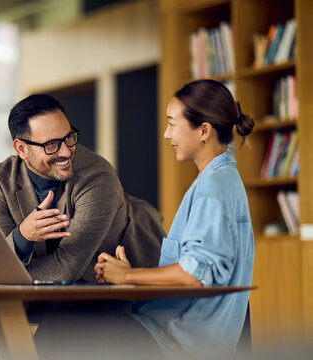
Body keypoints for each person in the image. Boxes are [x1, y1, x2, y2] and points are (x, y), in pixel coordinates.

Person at [94, 79, 255, 359]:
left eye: (172, 124)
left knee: (57, 328)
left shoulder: (212, 189)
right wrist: (131, 281)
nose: (166, 134)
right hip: (179, 334)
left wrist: (127, 275)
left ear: (203, 130)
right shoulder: (220, 180)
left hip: (175, 341)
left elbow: (194, 275)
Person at [0, 93, 165, 283]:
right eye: (51, 144)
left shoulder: (97, 175)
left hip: (124, 292)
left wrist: (0, 274)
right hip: (47, 297)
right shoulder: (0, 179)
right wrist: (23, 235)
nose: (66, 151)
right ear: (21, 149)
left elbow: (66, 267)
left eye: (69, 137)